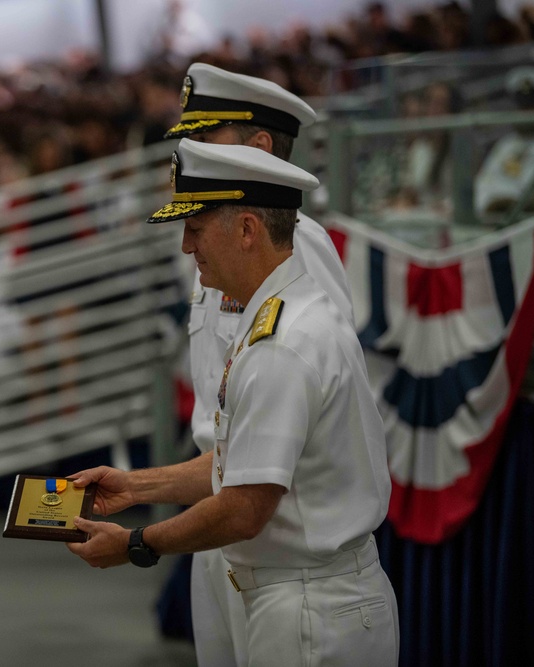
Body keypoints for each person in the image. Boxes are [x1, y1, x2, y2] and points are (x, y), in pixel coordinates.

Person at [66, 141, 398, 667]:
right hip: (305, 596)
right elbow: (241, 466)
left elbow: (244, 509)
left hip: (309, 606)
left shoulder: (282, 344)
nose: (184, 246)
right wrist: (136, 486)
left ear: (246, 229)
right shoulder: (281, 314)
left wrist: (135, 544)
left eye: (195, 229)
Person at [162, 62, 354, 667]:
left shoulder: (297, 242)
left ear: (260, 147)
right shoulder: (219, 238)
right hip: (218, 512)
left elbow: (321, 381)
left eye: (204, 138)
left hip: (273, 525)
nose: (189, 150)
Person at [474, 66, 534, 219]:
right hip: (493, 221)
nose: (525, 113)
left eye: (531, 106)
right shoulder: (505, 145)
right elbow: (483, 184)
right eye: (522, 106)